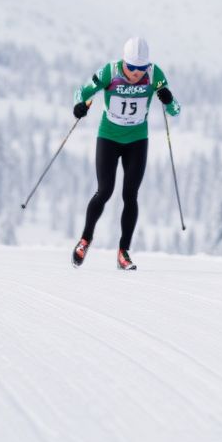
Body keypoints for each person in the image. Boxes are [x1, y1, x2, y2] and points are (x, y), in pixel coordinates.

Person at [70, 36, 180, 270]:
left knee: (130, 195)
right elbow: (82, 92)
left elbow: (175, 110)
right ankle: (84, 240)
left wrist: (169, 100)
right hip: (108, 137)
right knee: (105, 191)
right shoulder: (109, 71)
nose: (135, 74)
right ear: (124, 62)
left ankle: (123, 252)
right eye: (131, 68)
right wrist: (79, 106)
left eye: (141, 70)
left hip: (137, 141)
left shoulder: (155, 74)